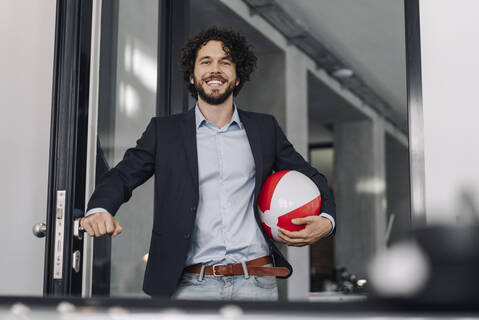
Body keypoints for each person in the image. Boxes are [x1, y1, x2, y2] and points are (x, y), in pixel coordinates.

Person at [82, 27, 336, 300]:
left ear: (237, 78)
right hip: (189, 286)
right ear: (192, 77)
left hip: (256, 283)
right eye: (206, 62)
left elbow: (312, 178)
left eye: (225, 62)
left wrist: (327, 220)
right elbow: (122, 175)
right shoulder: (164, 132)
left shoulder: (265, 129)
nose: (215, 70)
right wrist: (100, 208)